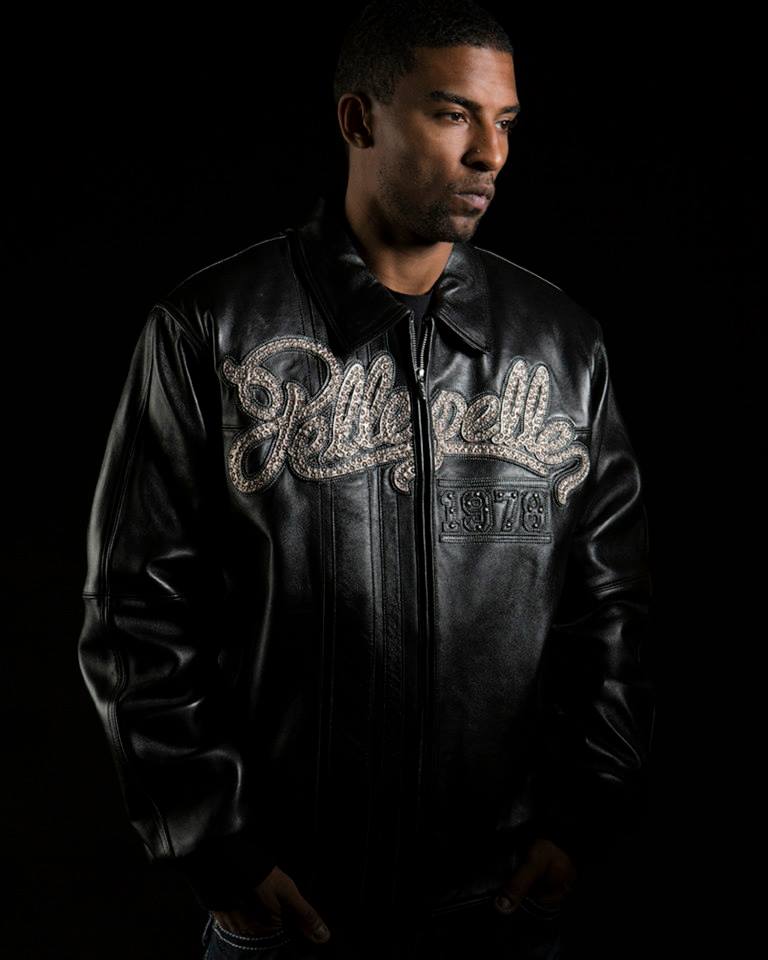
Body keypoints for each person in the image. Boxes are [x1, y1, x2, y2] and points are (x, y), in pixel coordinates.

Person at [77, 2, 656, 958]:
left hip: (497, 907)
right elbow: (135, 611)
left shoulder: (563, 347)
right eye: (452, 114)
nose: (490, 154)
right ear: (358, 119)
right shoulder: (209, 330)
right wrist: (218, 849)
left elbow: (611, 608)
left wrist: (582, 818)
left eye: (505, 122)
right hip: (290, 910)